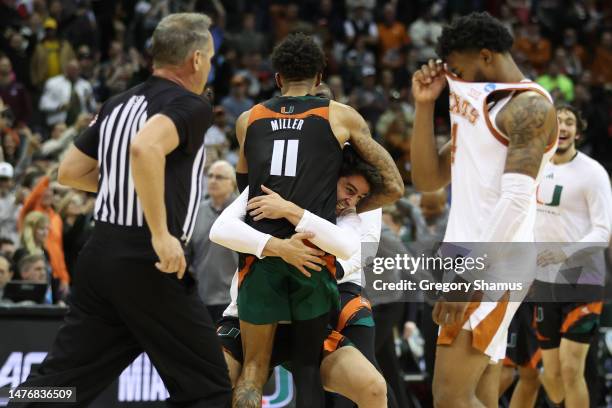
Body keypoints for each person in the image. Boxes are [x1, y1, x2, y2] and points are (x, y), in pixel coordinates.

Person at [8, 13, 232, 408]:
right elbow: (145, 148)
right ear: (196, 59)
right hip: (149, 260)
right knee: (209, 387)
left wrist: (127, 189)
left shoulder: (118, 103)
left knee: (63, 380)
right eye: (210, 58)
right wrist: (161, 234)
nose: (210, 67)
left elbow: (71, 171)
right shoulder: (191, 105)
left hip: (101, 255)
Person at [233, 32, 403, 408]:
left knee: (252, 371)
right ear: (320, 77)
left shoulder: (248, 119)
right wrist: (346, 205)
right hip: (312, 257)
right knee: (308, 366)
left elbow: (244, 193)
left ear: (277, 78)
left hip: (263, 258)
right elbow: (393, 185)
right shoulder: (340, 115)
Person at [410, 12, 558, 408]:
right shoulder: (479, 103)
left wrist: (467, 274)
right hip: (466, 254)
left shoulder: (529, 107)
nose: (455, 79)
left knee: (448, 397)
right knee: (478, 396)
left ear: (487, 56)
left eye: (460, 69)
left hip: (492, 260)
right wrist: (424, 107)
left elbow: (514, 201)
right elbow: (427, 180)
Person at [211, 145, 400, 408]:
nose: (352, 202)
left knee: (374, 387)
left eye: (358, 197)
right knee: (211, 386)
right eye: (349, 191)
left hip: (327, 299)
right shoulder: (275, 179)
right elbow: (220, 229)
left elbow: (359, 249)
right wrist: (281, 247)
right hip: (252, 311)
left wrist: (293, 213)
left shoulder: (351, 204)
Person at [534, 104, 612, 408]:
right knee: (551, 375)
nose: (562, 126)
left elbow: (603, 231)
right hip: (543, 281)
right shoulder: (535, 168)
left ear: (577, 132)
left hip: (583, 279)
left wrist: (564, 253)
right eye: (557, 122)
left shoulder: (593, 172)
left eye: (569, 122)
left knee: (570, 369)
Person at [186, 160, 238, 323]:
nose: (213, 180)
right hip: (201, 298)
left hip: (234, 301)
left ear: (232, 183)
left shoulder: (242, 212)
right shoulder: (196, 211)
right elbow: (187, 253)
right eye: (210, 176)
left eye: (219, 177)